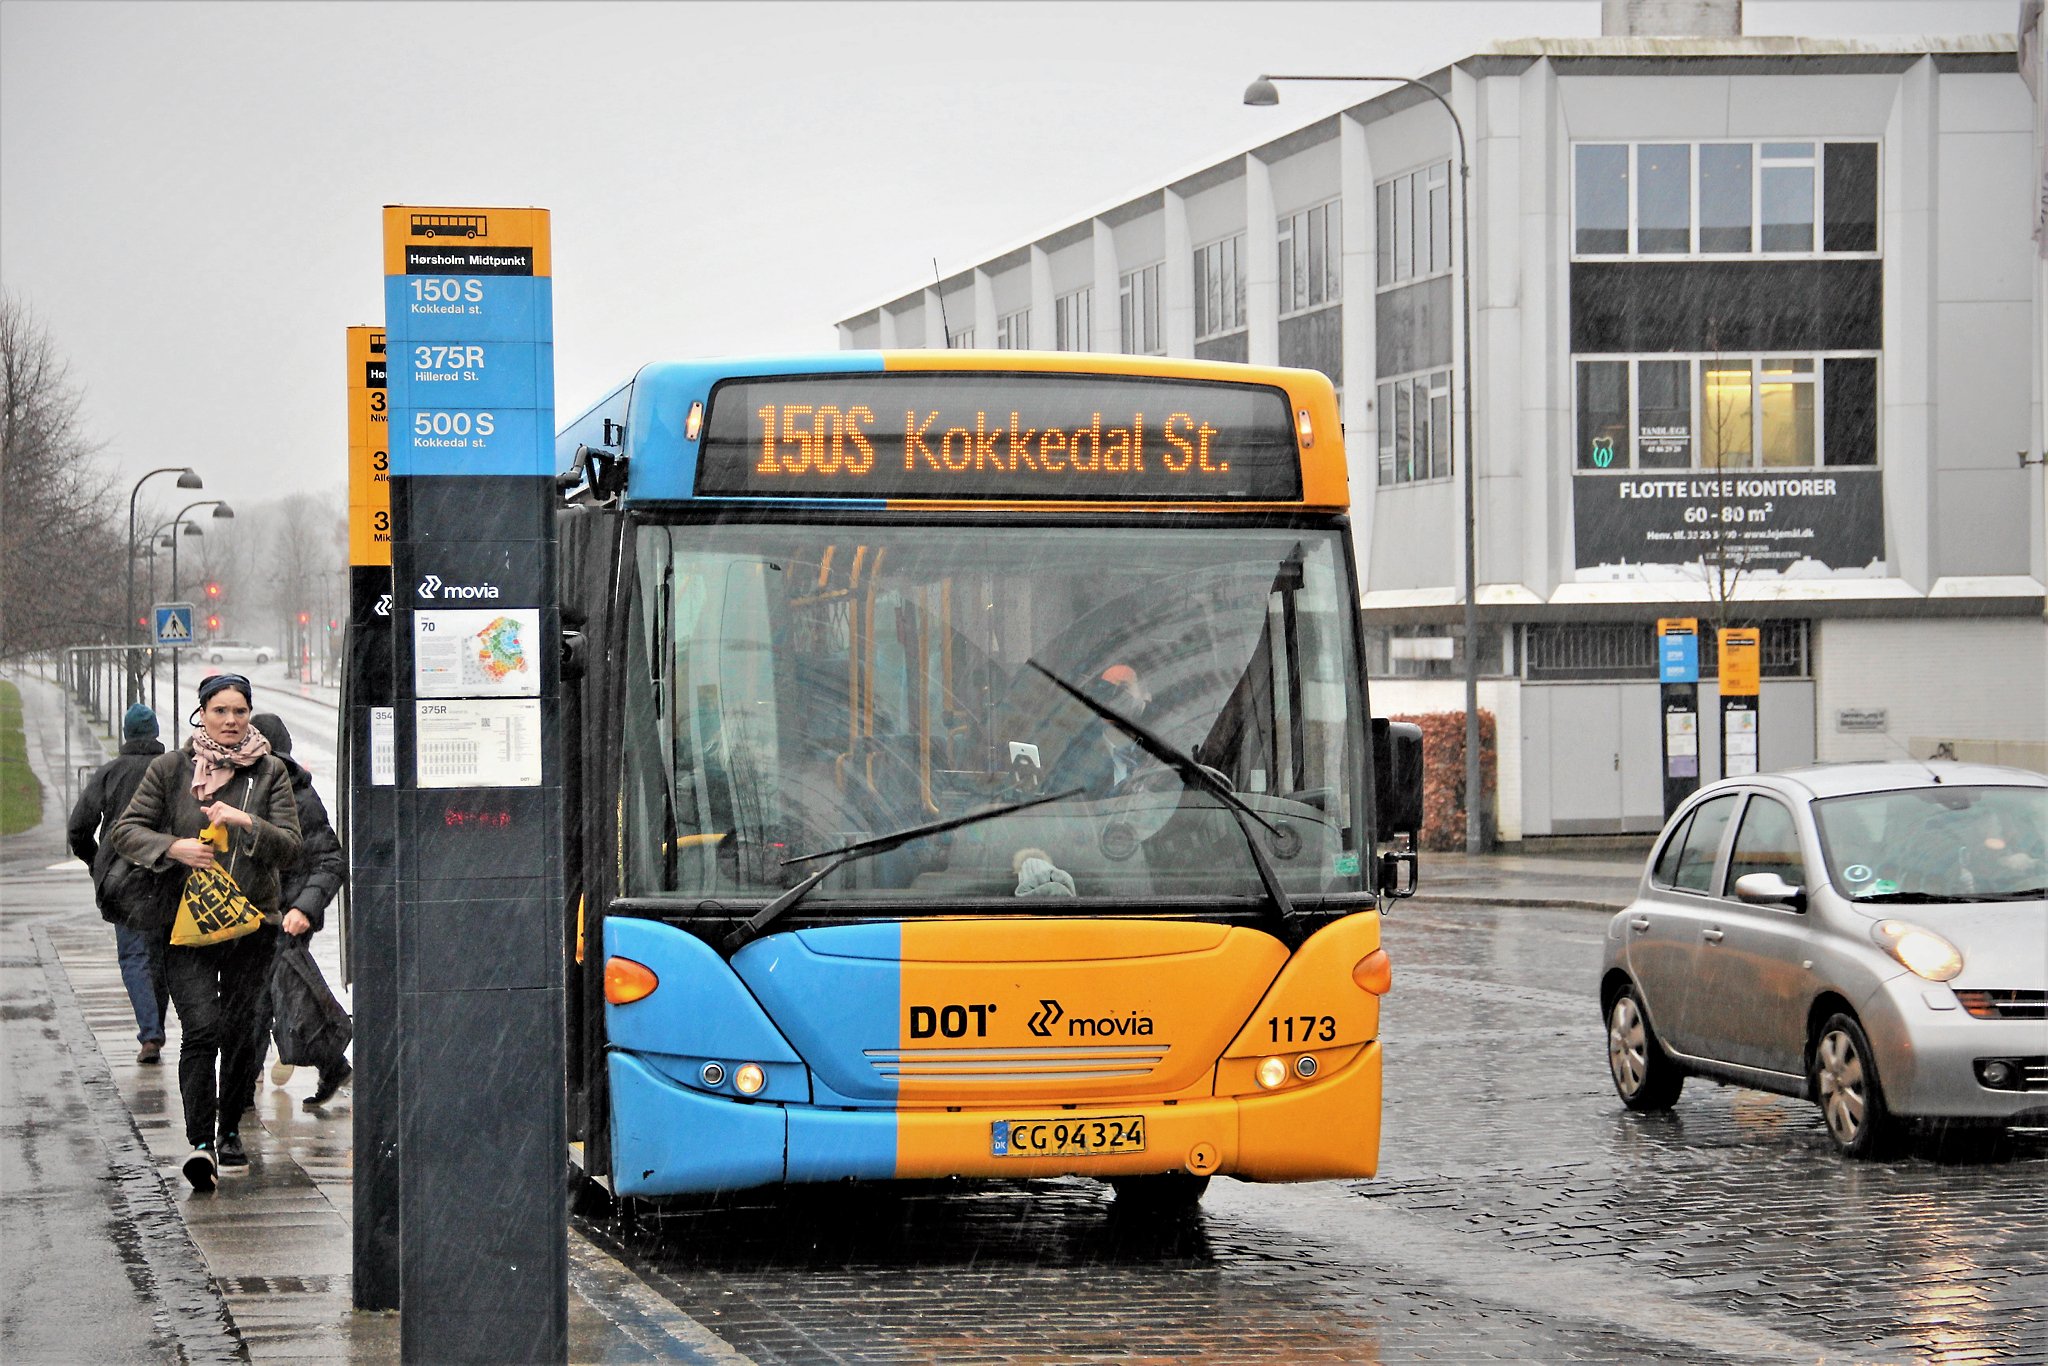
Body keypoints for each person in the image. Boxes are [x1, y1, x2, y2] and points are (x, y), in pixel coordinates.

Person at [113, 674, 301, 1192]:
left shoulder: (269, 772)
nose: (231, 720)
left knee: (241, 1030)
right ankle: (200, 1143)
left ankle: (229, 1131)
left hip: (251, 924)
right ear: (203, 714)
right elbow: (126, 831)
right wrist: (174, 848)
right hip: (184, 925)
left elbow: (291, 847)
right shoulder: (171, 769)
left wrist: (246, 822)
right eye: (221, 711)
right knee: (201, 1029)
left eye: (240, 711)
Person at [241, 712, 352, 1110]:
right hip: (248, 917)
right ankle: (331, 1063)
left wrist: (303, 908)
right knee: (273, 1002)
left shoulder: (297, 796)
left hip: (284, 918)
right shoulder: (243, 788)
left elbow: (331, 860)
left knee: (267, 1003)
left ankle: (241, 1094)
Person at [66, 703, 170, 1064]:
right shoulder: (172, 768)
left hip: (121, 879)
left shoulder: (110, 773)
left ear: (127, 734)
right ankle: (156, 1026)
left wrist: (96, 862)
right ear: (155, 732)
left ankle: (150, 1033)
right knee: (160, 955)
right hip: (166, 872)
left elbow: (79, 827)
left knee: (134, 955)